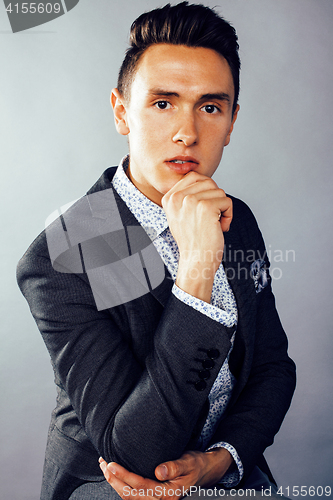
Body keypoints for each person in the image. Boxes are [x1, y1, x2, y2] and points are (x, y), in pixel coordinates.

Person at [17, 2, 296, 499]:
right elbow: (137, 452)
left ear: (231, 122)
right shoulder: (65, 253)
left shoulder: (238, 219)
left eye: (210, 107)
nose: (187, 131)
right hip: (113, 488)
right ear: (123, 112)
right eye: (163, 103)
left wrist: (221, 461)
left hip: (227, 475)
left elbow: (273, 367)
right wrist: (197, 269)